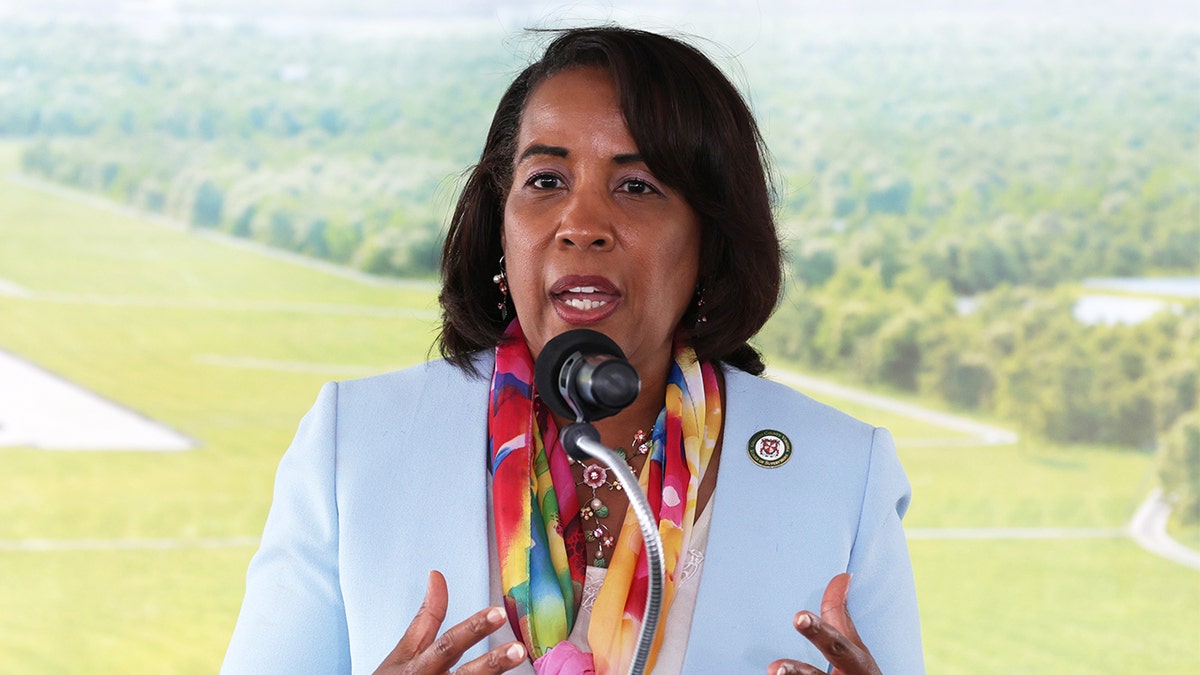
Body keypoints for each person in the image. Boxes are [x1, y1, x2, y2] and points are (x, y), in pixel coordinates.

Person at [222, 26, 923, 675]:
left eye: (637, 186)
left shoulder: (843, 474)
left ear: (711, 239)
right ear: (501, 226)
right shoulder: (353, 444)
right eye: (546, 181)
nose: (582, 224)